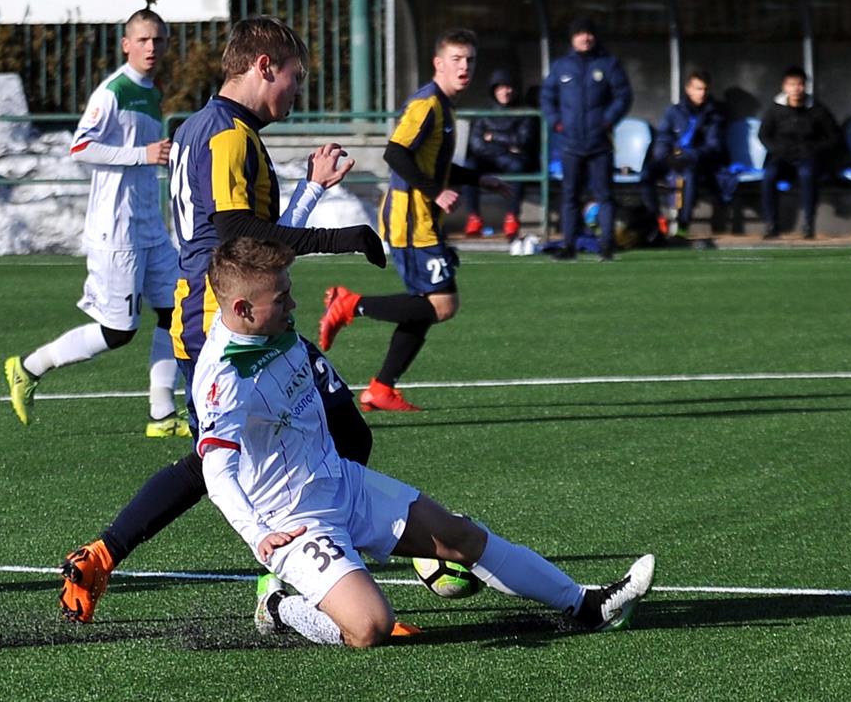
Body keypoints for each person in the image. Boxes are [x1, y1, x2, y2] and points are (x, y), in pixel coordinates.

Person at [57, 16, 387, 625]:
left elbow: (254, 241)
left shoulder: (204, 128)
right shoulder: (228, 137)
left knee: (250, 454)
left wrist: (312, 191)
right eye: (295, 76)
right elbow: (240, 237)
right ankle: (293, 580)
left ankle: (106, 553)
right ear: (264, 66)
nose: (297, 90)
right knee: (304, 445)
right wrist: (339, 236)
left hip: (236, 315)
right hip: (232, 324)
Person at [200, 236, 656, 647]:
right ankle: (279, 608)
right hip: (293, 521)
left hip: (341, 482)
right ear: (243, 309)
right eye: (281, 298)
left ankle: (587, 605)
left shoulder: (269, 325)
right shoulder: (224, 377)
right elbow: (216, 471)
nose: (293, 303)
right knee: (370, 628)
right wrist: (259, 534)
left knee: (461, 536)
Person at [4, 7, 189, 437]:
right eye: (143, 40)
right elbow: (81, 148)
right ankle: (29, 367)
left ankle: (162, 414)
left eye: (158, 40)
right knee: (118, 332)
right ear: (126, 44)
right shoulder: (113, 92)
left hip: (149, 226)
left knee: (176, 310)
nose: (151, 47)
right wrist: (142, 155)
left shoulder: (151, 92)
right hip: (116, 230)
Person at [317, 29, 506, 412]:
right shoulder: (427, 104)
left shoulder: (444, 106)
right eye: (456, 59)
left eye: (470, 60)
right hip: (410, 219)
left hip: (423, 219)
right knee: (443, 304)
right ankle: (350, 304)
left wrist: (477, 179)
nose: (464, 67)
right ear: (438, 63)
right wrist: (436, 192)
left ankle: (381, 388)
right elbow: (396, 152)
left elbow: (431, 164)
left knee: (427, 304)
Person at [540, 16, 632, 261]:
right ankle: (569, 246)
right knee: (570, 196)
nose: (585, 38)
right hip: (570, 144)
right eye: (580, 33)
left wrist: (607, 121)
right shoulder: (561, 66)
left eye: (589, 33)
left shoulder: (608, 63)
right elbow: (547, 97)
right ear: (573, 38)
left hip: (599, 143)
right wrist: (556, 122)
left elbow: (623, 96)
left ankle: (607, 246)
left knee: (604, 195)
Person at [757, 66, 841, 239]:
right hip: (781, 158)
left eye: (800, 84)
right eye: (791, 84)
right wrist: (777, 149)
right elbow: (764, 135)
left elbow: (833, 137)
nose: (796, 89)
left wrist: (812, 149)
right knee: (769, 176)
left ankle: (808, 225)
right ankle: (771, 225)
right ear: (784, 87)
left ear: (805, 86)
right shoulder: (775, 109)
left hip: (808, 158)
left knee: (807, 175)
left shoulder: (818, 110)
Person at [642, 70, 726, 240]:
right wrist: (667, 156)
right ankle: (656, 219)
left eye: (705, 89)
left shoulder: (713, 114)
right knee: (647, 174)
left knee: (690, 175)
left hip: (696, 161)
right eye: (698, 89)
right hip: (671, 158)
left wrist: (690, 155)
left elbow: (713, 145)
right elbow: (663, 137)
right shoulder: (674, 111)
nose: (702, 93)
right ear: (688, 89)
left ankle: (683, 225)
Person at [462, 68, 539, 240]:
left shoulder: (525, 112)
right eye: (501, 88)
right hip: (490, 158)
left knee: (517, 167)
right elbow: (476, 144)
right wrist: (506, 146)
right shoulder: (483, 113)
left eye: (509, 87)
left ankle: (512, 218)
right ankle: (474, 218)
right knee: (469, 167)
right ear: (494, 90)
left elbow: (523, 140)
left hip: (512, 161)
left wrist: (493, 137)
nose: (505, 92)